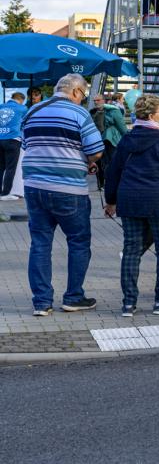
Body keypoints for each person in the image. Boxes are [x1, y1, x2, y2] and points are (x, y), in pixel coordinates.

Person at [21, 74, 104, 315]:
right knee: (78, 241)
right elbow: (96, 150)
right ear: (76, 91)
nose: (83, 99)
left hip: (34, 186)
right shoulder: (79, 113)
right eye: (83, 95)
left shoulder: (32, 111)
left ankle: (41, 302)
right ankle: (73, 297)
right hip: (69, 189)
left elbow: (27, 146)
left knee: (39, 243)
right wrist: (87, 161)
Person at [103, 94, 159, 316]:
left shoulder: (126, 140)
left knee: (131, 251)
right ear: (151, 115)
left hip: (130, 202)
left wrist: (110, 201)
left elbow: (113, 172)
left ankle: (128, 303)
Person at [90, 94, 128, 190]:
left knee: (102, 162)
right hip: (108, 140)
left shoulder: (94, 112)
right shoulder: (113, 110)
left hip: (101, 140)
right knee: (108, 162)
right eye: (94, 100)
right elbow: (122, 127)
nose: (96, 102)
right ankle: (106, 183)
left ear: (104, 100)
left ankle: (103, 184)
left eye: (98, 100)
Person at [0, 91, 28, 198]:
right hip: (13, 140)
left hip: (0, 139)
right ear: (21, 100)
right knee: (10, 168)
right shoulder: (22, 108)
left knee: (0, 168)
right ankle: (5, 193)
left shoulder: (1, 106)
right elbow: (26, 122)